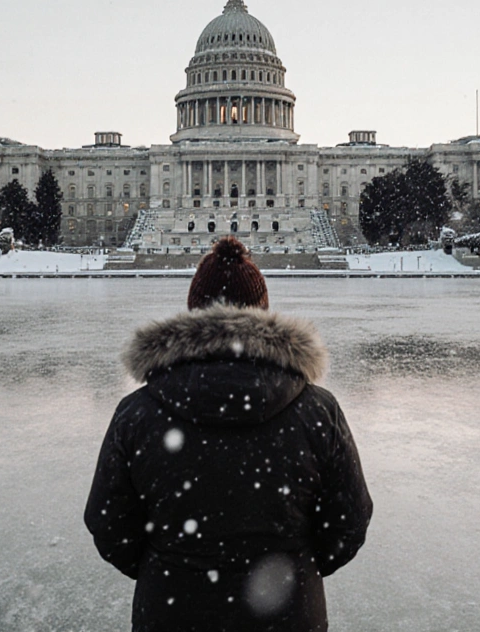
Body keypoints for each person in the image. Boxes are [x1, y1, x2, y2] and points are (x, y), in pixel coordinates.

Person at [85, 236, 372, 631]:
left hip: (172, 613)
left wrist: (167, 567)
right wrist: (293, 568)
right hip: (287, 614)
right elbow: (348, 524)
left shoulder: (137, 412)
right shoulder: (318, 410)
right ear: (264, 314)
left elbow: (109, 525)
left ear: (192, 313)